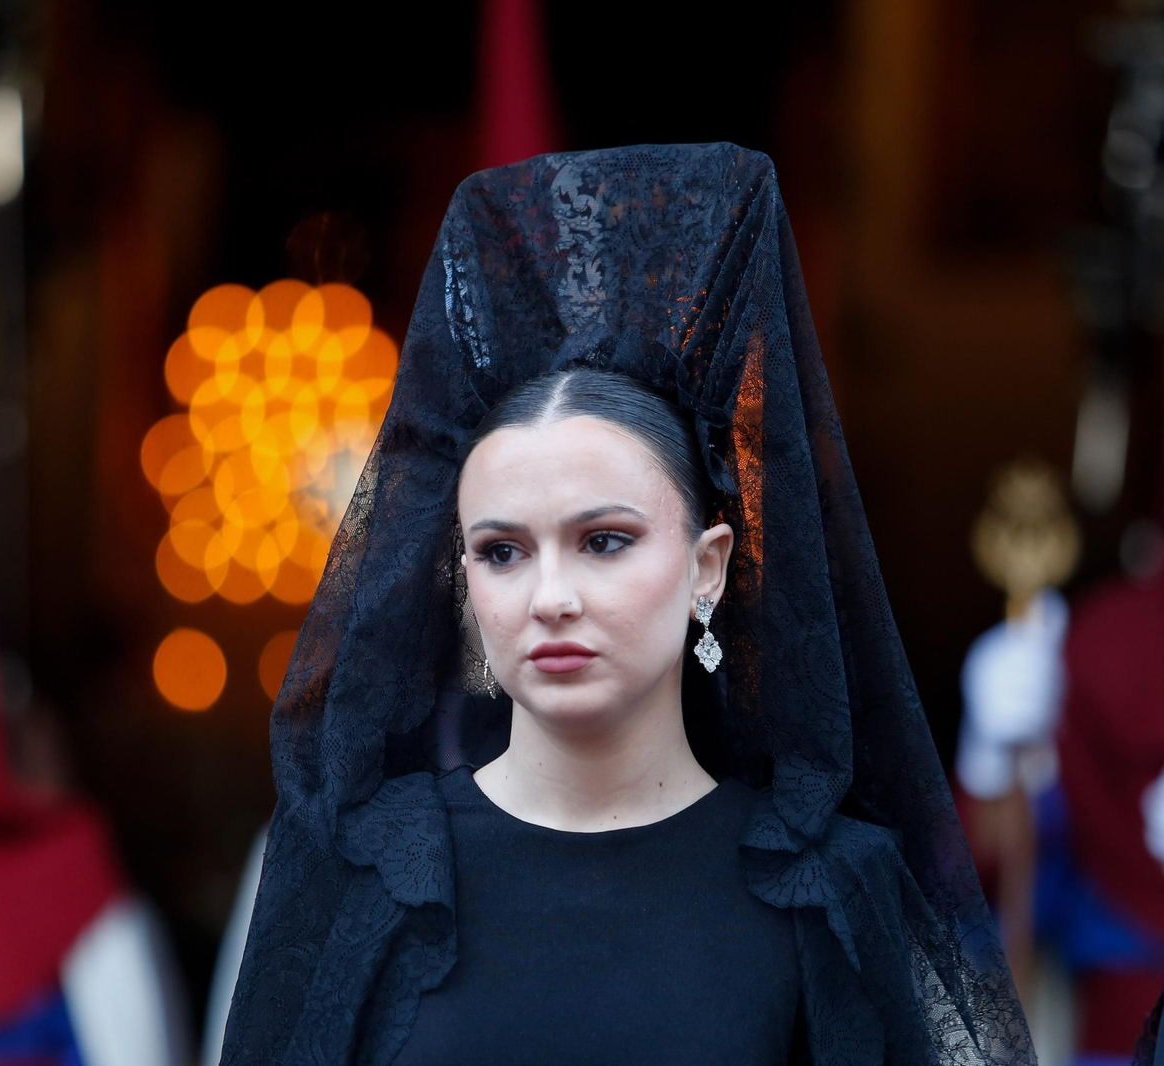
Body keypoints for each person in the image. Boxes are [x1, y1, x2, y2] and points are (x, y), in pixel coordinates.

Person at [220, 144, 1034, 1064]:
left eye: (604, 541)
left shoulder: (833, 892)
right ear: (460, 575)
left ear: (709, 566)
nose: (552, 597)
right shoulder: (367, 874)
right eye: (502, 552)